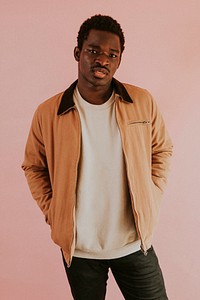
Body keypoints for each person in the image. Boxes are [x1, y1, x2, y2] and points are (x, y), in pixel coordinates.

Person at [22, 14, 173, 300]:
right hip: (80, 250)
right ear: (78, 52)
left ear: (118, 61)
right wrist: (53, 210)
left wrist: (151, 195)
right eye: (94, 50)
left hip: (133, 242)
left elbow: (162, 150)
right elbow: (33, 165)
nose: (102, 59)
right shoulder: (49, 112)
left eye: (111, 54)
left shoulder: (141, 102)